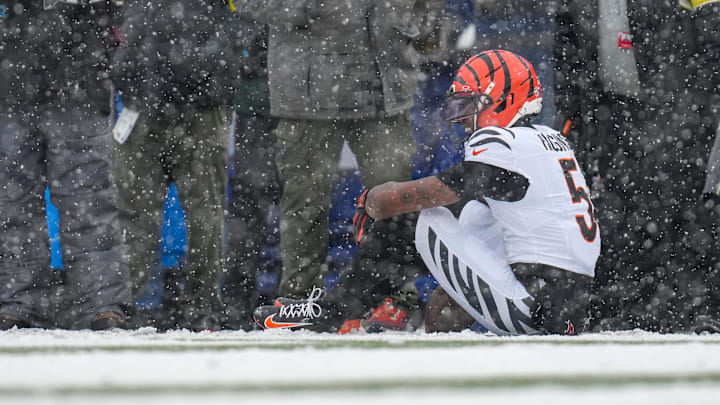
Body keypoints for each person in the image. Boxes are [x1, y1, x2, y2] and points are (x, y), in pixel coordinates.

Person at [253, 50, 601, 335]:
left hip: (535, 302)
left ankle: (328, 312)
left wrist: (374, 199)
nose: (464, 120)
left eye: (470, 106)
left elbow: (431, 193)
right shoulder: (548, 141)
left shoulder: (502, 141)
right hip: (563, 303)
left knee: (420, 220)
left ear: (504, 99)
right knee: (472, 215)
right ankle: (355, 309)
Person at [235, 0, 442, 298]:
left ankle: (394, 298)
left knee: (395, 203)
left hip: (383, 88)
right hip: (309, 97)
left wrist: (421, 21)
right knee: (306, 203)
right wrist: (308, 8)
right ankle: (300, 301)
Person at [0, 0, 131, 330]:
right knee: (13, 204)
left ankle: (102, 303)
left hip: (77, 83)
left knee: (88, 202)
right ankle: (19, 300)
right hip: (15, 83)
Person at [111, 0, 240, 331]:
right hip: (165, 99)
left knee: (185, 215)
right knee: (197, 215)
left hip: (180, 100)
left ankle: (131, 304)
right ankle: (192, 308)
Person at [220, 14, 281, 331]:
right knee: (254, 211)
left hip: (286, 101)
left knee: (256, 212)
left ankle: (241, 302)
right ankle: (242, 301)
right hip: (267, 102)